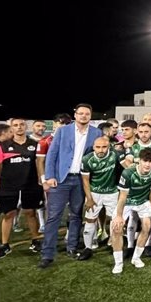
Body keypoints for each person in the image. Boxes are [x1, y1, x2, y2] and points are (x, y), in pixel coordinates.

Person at [40, 103, 103, 268]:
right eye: (80, 113)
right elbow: (52, 154)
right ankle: (47, 254)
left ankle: (72, 247)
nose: (83, 116)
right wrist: (50, 176)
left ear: (90, 116)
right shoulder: (63, 131)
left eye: (87, 114)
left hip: (81, 180)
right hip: (61, 179)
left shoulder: (96, 133)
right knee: (54, 216)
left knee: (76, 215)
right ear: (75, 115)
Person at [0, 118, 44, 259]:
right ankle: (5, 245)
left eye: (21, 125)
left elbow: (40, 164)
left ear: (26, 127)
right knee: (8, 214)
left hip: (31, 185)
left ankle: (35, 240)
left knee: (30, 213)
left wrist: (41, 181)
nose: (19, 127)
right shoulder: (2, 146)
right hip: (8, 187)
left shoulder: (35, 144)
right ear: (11, 128)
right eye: (15, 125)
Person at [110, 147, 151, 274]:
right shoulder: (128, 173)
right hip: (126, 202)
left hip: (143, 201)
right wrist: (119, 216)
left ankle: (136, 258)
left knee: (147, 226)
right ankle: (118, 263)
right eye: (145, 161)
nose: (148, 164)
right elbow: (122, 197)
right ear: (139, 161)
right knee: (116, 227)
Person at [78, 136, 123, 261]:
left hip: (112, 192)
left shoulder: (116, 155)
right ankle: (88, 248)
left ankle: (115, 244)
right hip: (94, 193)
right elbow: (85, 181)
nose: (101, 150)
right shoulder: (87, 159)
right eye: (98, 147)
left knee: (115, 220)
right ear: (93, 147)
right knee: (90, 220)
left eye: (104, 147)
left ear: (109, 147)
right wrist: (89, 198)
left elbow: (127, 165)